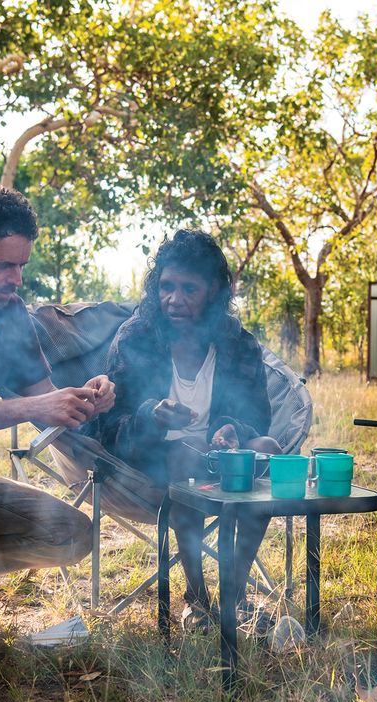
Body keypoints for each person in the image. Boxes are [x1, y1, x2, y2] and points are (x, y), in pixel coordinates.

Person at [0, 180, 114, 580]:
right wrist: (33, 407)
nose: (16, 280)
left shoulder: (11, 314)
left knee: (72, 534)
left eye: (21, 266)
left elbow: (46, 405)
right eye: (3, 266)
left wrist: (84, 400)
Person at [98, 229, 280, 629]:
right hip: (152, 461)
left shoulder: (238, 345)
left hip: (220, 459)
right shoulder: (137, 338)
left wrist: (232, 428)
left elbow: (258, 418)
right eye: (166, 286)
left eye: (188, 289)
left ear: (215, 291)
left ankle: (234, 591)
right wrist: (150, 415)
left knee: (265, 446)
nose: (174, 300)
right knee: (183, 456)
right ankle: (196, 597)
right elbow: (109, 423)